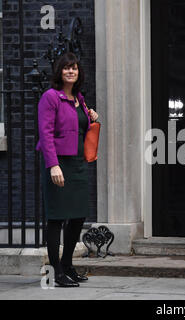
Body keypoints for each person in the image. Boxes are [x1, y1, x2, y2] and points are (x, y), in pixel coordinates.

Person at [36, 52, 99, 288]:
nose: (71, 72)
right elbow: (46, 133)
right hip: (59, 163)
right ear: (59, 72)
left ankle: (68, 265)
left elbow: (80, 125)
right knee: (56, 218)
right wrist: (53, 165)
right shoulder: (50, 97)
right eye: (66, 68)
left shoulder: (78, 98)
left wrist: (92, 116)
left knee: (78, 215)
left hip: (78, 163)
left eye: (74, 68)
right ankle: (54, 272)